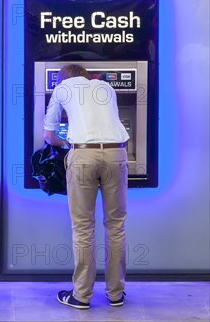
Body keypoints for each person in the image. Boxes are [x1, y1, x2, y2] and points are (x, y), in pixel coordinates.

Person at [43, 64, 130, 310]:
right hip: (117, 153)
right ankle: (116, 293)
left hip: (84, 155)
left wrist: (66, 142)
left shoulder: (62, 88)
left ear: (63, 78)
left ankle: (81, 295)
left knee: (83, 226)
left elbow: (49, 136)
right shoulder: (106, 87)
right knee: (116, 225)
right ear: (86, 75)